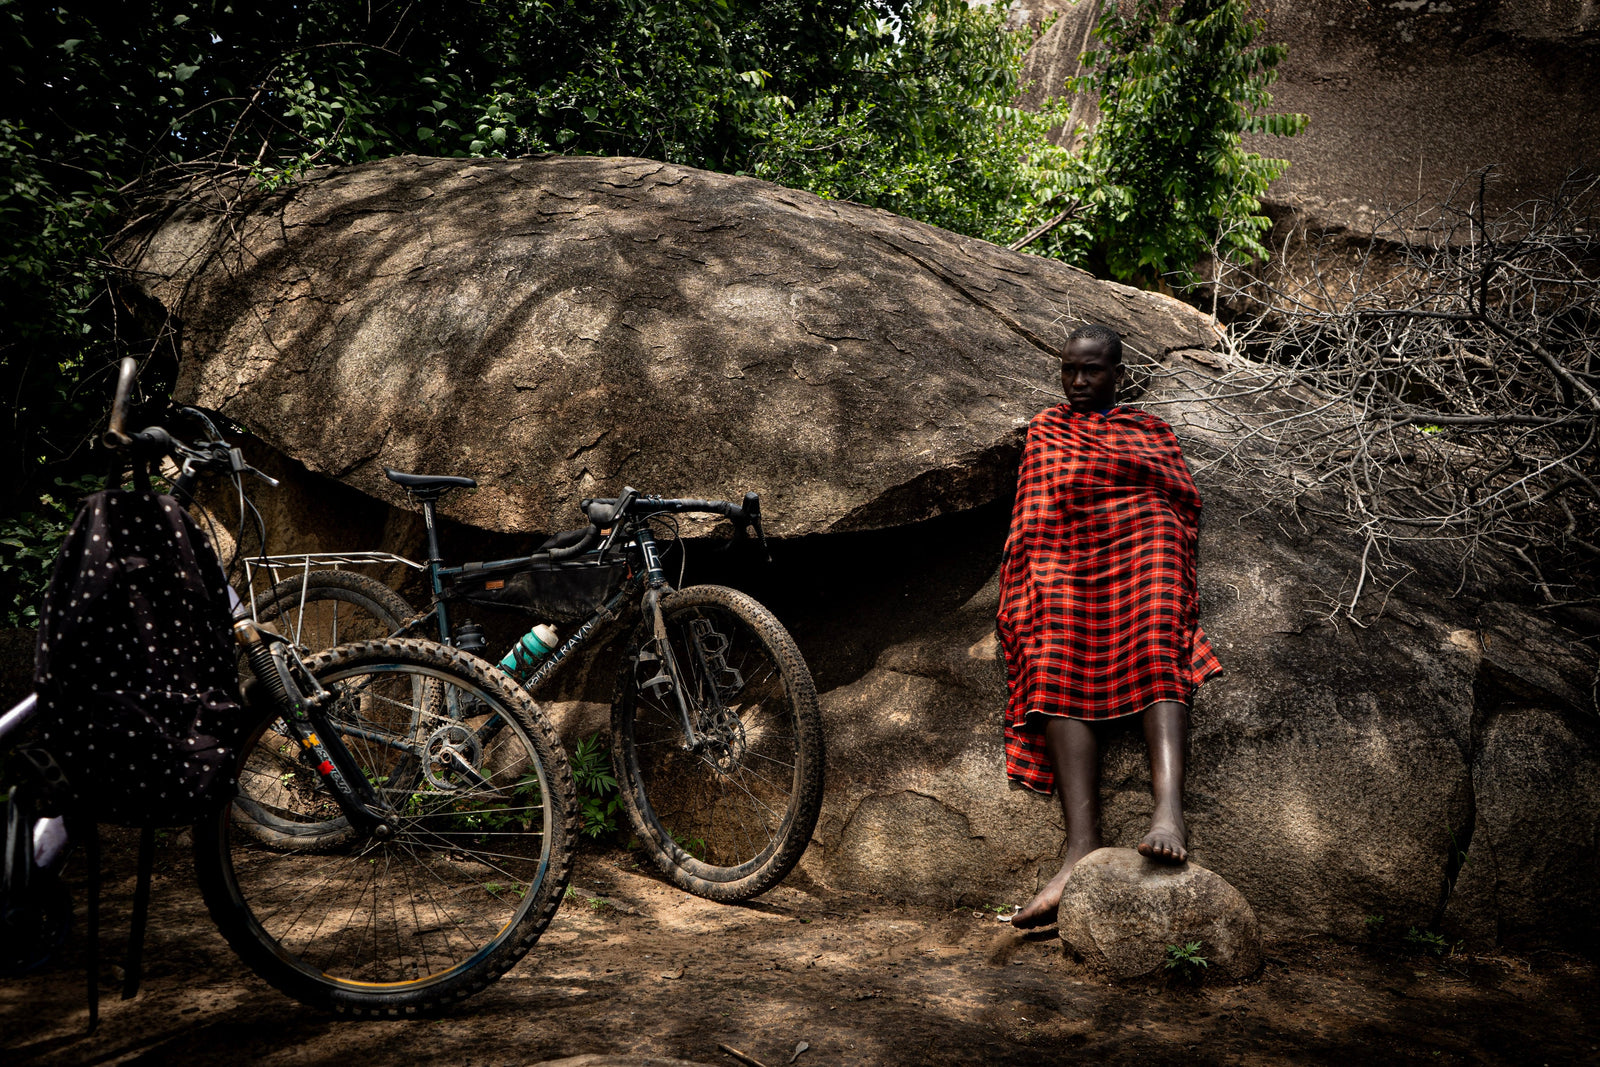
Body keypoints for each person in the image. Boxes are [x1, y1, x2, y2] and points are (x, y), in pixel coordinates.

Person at [998, 323, 1222, 930]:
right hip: (1067, 554)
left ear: (1118, 374)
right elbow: (1035, 515)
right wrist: (1037, 571)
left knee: (1158, 634)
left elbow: (1174, 500)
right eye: (1069, 369)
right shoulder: (1046, 429)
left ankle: (1169, 813)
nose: (1076, 381)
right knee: (1050, 645)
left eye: (1091, 370)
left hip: (1139, 545)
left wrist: (1147, 533)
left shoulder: (1150, 431)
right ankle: (1080, 849)